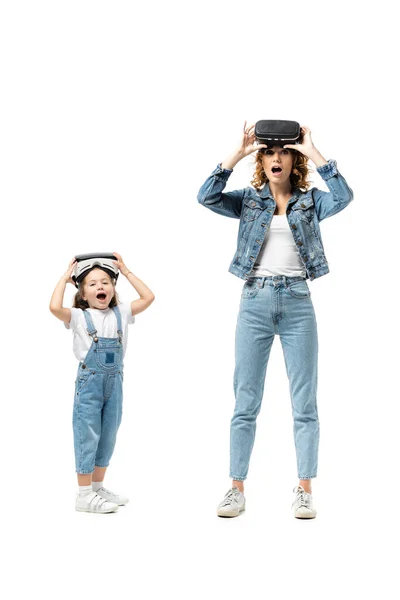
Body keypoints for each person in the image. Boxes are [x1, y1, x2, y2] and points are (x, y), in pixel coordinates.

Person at [197, 123, 353, 518]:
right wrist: (239, 151)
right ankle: (236, 488)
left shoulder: (311, 201)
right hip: (254, 301)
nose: (276, 158)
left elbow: (344, 195)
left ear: (293, 160)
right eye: (270, 153)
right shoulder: (249, 201)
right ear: (262, 160)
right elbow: (206, 196)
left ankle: (304, 489)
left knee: (305, 403)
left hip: (299, 301)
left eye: (284, 152)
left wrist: (313, 148)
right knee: (245, 401)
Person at [50, 252, 155, 513]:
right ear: (82, 293)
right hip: (89, 383)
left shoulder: (122, 312)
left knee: (108, 434)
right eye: (93, 283)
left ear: (113, 288)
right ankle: (84, 495)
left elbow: (149, 297)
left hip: (115, 382)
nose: (101, 286)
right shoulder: (77, 316)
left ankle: (97, 488)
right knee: (88, 434)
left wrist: (126, 270)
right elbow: (53, 308)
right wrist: (65, 278)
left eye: (106, 281)